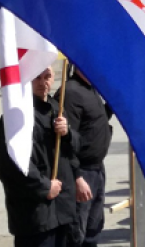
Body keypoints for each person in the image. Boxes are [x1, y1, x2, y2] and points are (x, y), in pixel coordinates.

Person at [0, 67, 80, 247]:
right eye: (37, 77)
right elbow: (11, 165)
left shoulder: (57, 108)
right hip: (35, 215)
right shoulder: (15, 116)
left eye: (47, 77)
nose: (43, 83)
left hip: (63, 210)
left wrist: (68, 134)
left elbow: (74, 152)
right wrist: (44, 187)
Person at [54, 68, 113, 247]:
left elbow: (94, 120)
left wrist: (111, 106)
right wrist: (77, 177)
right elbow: (65, 142)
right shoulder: (70, 93)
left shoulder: (90, 89)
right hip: (81, 173)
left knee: (93, 229)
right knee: (76, 233)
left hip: (96, 170)